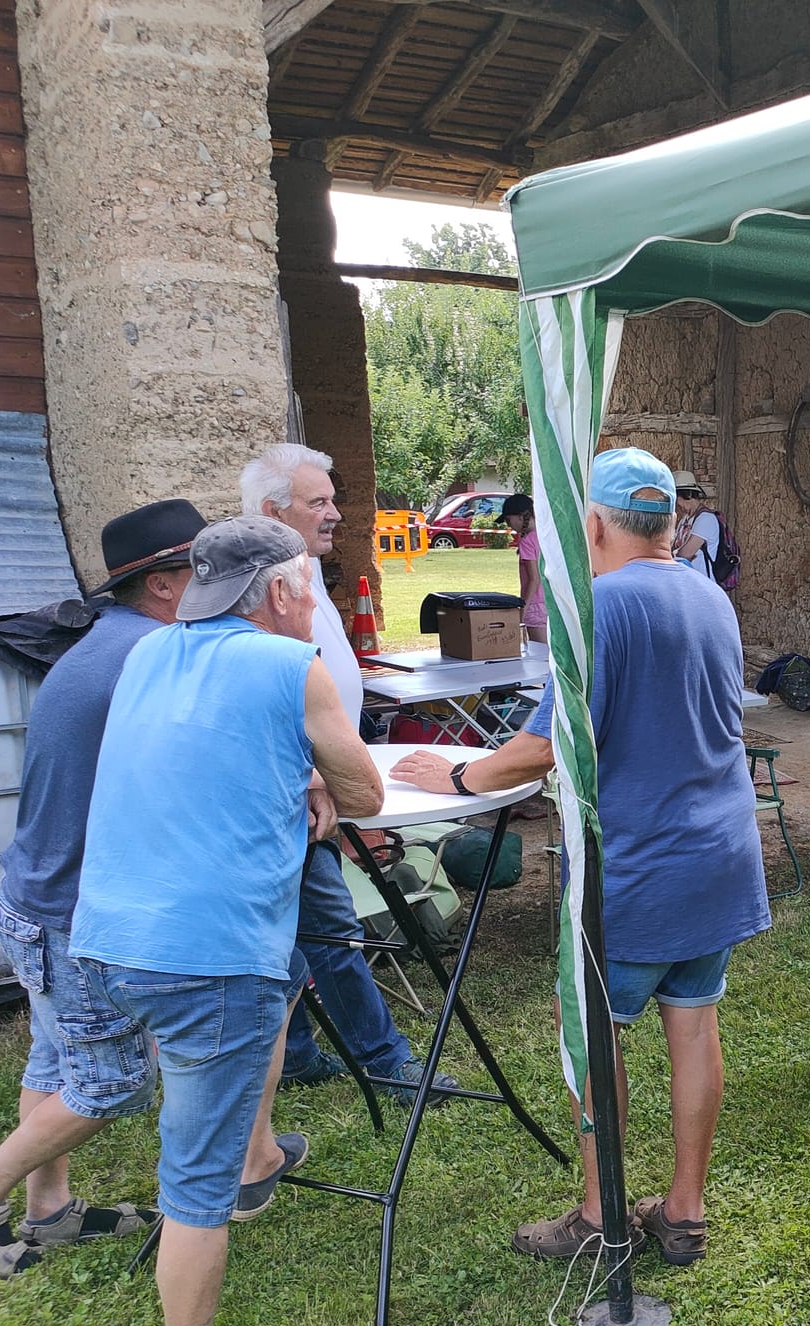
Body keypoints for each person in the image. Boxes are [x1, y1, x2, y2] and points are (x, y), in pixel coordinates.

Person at [70, 516, 385, 1326]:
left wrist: (295, 781)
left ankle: (259, 1159)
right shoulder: (290, 667)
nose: (314, 604)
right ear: (280, 592)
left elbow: (200, 764)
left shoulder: (148, 653)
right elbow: (366, 795)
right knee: (193, 1180)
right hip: (204, 957)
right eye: (308, 588)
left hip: (109, 939)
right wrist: (321, 785)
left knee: (269, 1005)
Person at [436, 448, 769, 1269]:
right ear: (670, 521)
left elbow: (540, 746)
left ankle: (600, 1212)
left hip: (641, 865)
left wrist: (454, 775)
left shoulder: (600, 607)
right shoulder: (710, 597)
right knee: (695, 1023)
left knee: (589, 1030)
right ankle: (684, 1213)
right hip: (719, 849)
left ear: (592, 524)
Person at [0, 500, 208, 1280]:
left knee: (54, 1063)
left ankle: (49, 1211)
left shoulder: (112, 638)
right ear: (164, 584)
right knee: (112, 1082)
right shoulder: (150, 654)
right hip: (73, 911)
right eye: (205, 570)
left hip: (34, 896)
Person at [241, 444, 449, 1103]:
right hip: (294, 795)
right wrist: (314, 776)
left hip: (313, 786)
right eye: (319, 502)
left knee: (298, 931)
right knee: (331, 929)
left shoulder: (301, 573)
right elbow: (266, 701)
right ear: (274, 511)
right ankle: (387, 1062)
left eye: (333, 499)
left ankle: (298, 1055)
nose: (335, 513)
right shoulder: (265, 591)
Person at [500, 493, 547, 644]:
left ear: (520, 517)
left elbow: (534, 578)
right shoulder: (546, 535)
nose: (509, 525)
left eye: (509, 520)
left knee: (540, 652)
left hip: (534, 604)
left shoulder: (527, 541)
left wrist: (523, 610)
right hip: (551, 601)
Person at [670, 469, 724, 584]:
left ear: (688, 495)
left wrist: (673, 555)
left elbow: (685, 554)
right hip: (688, 582)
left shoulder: (706, 519)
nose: (677, 506)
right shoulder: (685, 519)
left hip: (703, 584)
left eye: (677, 500)